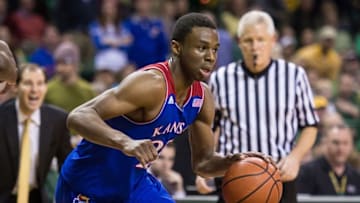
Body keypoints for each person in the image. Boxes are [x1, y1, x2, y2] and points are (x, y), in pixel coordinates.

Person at [55, 13, 270, 203]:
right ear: (177, 48)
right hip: (87, 184)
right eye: (202, 48)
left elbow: (203, 163)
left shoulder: (202, 97)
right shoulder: (151, 84)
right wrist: (125, 142)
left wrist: (233, 163)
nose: (210, 57)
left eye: (214, 50)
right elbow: (77, 116)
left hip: (134, 186)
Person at [197, 10, 319, 203]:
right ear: (239, 41)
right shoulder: (220, 78)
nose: (255, 47)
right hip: (234, 175)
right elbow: (210, 129)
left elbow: (310, 126)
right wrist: (205, 166)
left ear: (273, 39)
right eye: (249, 40)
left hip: (278, 177)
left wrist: (296, 157)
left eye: (261, 40)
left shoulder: (294, 75)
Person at [0, 63, 72, 203]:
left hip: (36, 197)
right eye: (28, 83)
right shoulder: (1, 117)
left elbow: (67, 166)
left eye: (40, 84)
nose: (34, 90)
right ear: (15, 87)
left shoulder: (57, 120)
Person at [297, 125, 360, 195]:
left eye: (345, 143)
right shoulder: (307, 172)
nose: (341, 148)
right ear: (325, 143)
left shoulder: (355, 176)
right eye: (336, 143)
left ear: (351, 146)